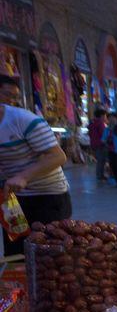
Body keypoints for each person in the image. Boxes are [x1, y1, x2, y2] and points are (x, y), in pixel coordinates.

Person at [0, 84, 71, 255]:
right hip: (10, 200)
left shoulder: (23, 120)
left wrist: (23, 176)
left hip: (48, 197)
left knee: (48, 254)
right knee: (16, 253)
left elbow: (58, 157)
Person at [89, 108, 108, 181]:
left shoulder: (92, 122)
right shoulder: (100, 123)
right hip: (100, 144)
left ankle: (99, 175)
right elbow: (104, 134)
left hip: (94, 144)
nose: (105, 117)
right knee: (101, 160)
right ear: (102, 116)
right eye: (105, 116)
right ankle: (100, 175)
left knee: (99, 160)